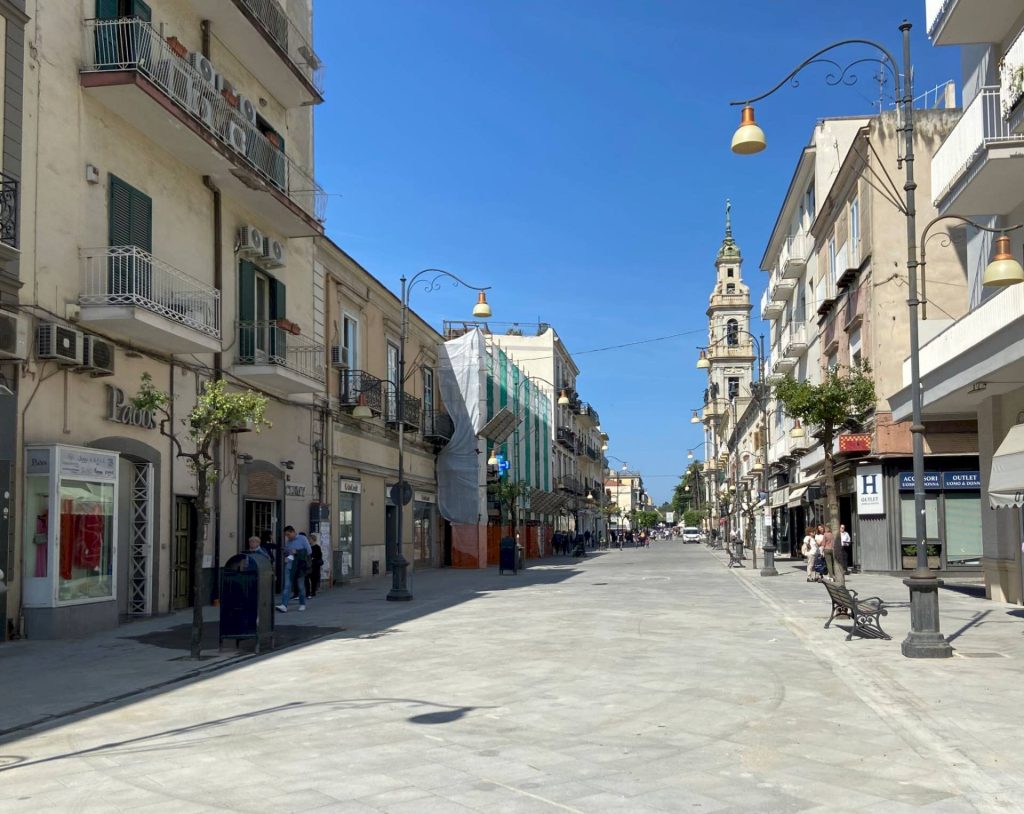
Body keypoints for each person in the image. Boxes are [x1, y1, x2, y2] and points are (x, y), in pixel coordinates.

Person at [276, 525, 312, 613]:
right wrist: (285, 552)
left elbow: (309, 551)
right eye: (286, 535)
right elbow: (288, 552)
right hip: (289, 565)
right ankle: (284, 605)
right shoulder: (288, 542)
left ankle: (302, 603)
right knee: (287, 586)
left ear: (293, 532)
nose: (287, 537)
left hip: (299, 566)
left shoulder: (302, 538)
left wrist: (297, 551)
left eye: (288, 534)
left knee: (300, 586)